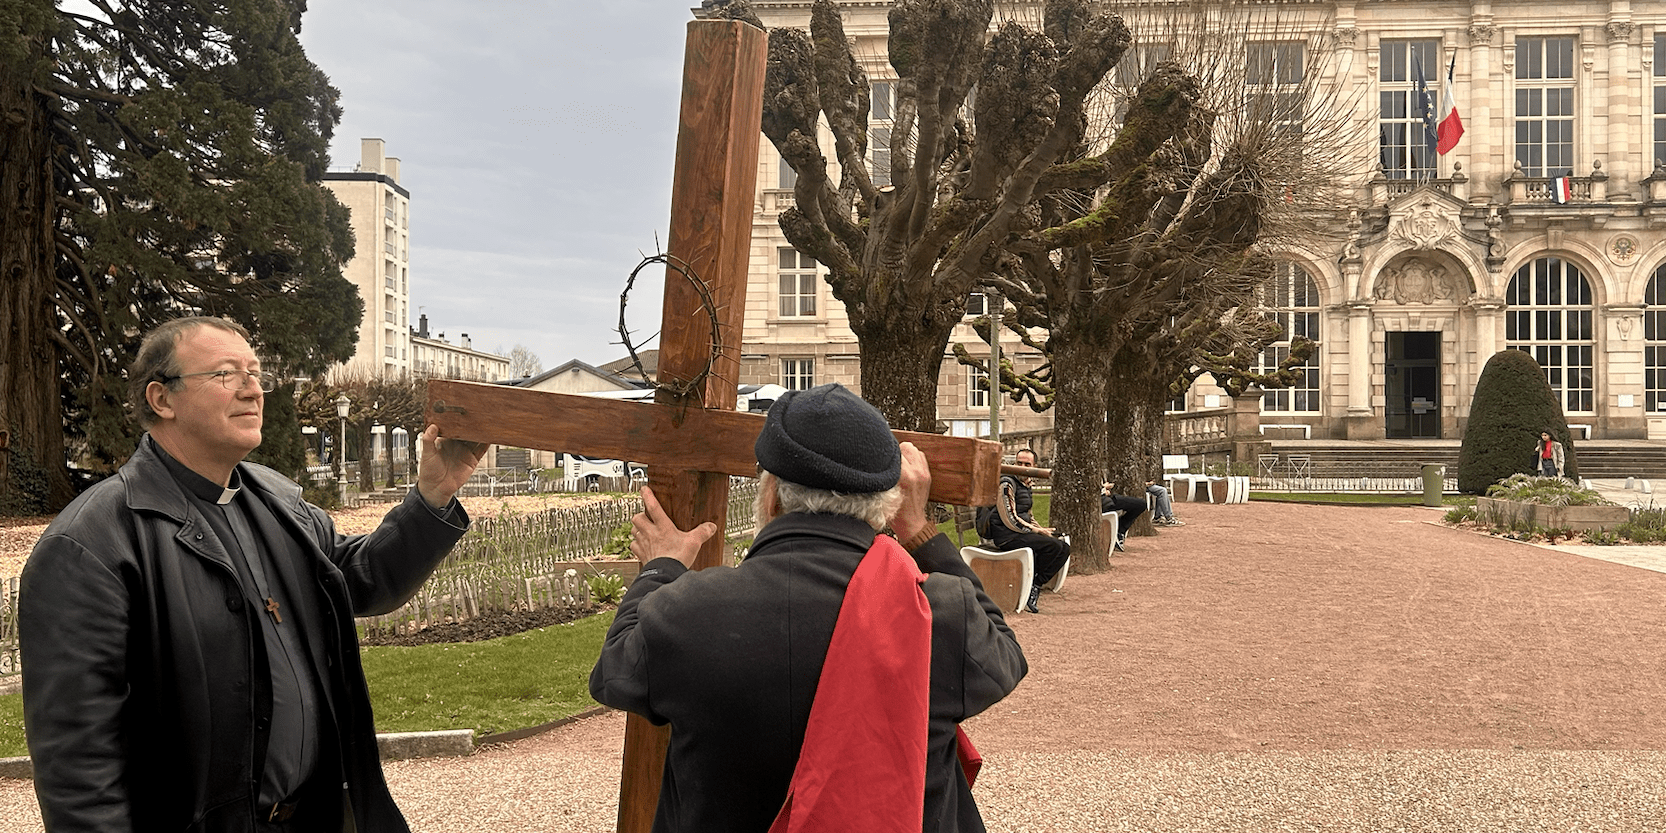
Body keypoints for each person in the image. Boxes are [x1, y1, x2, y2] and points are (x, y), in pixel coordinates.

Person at [21, 316, 487, 832]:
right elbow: (79, 769)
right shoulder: (90, 545)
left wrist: (433, 496)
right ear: (162, 399)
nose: (253, 389)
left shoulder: (277, 500)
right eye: (226, 374)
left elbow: (361, 578)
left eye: (256, 372)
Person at [590, 383, 1026, 833]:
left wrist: (661, 567)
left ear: (772, 494)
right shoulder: (938, 612)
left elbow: (614, 673)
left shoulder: (690, 609)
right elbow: (1005, 658)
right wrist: (918, 531)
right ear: (885, 505)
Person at [988, 447, 1072, 614]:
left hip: (1020, 533)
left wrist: (1041, 529)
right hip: (1007, 536)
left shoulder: (1026, 485)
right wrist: (1036, 531)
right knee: (1053, 547)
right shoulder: (1006, 483)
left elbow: (1027, 515)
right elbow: (1009, 519)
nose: (1022, 467)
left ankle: (1033, 583)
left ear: (1034, 466)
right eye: (1019, 463)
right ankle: (1035, 586)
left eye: (1027, 464)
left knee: (1063, 546)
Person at [1099, 483, 1148, 550]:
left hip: (1109, 498)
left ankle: (1120, 530)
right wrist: (1103, 488)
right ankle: (1119, 531)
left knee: (1141, 504)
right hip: (1104, 501)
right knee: (1140, 504)